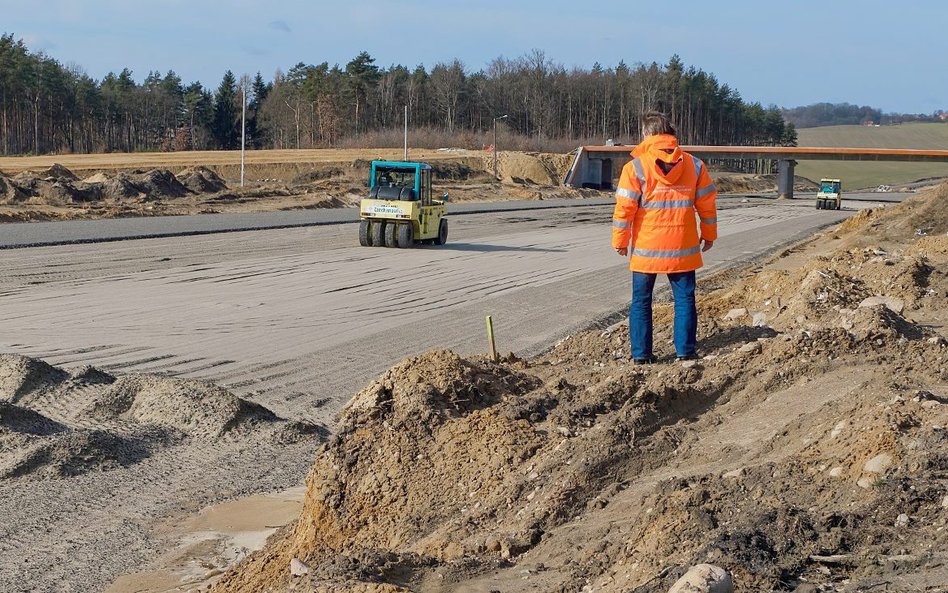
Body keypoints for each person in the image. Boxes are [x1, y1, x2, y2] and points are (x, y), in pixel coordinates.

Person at [611, 112, 718, 364]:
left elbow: (624, 209)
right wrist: (709, 235)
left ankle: (641, 355)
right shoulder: (695, 165)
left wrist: (620, 240)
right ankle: (686, 352)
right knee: (684, 300)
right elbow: (707, 206)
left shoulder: (635, 168)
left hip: (646, 251)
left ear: (648, 135)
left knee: (641, 302)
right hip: (683, 249)